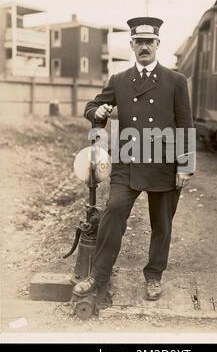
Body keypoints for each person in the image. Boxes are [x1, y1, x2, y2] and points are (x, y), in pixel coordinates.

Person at [73, 17, 195, 301]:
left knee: (162, 224)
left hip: (164, 162)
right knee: (113, 213)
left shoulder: (175, 81)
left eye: (149, 42)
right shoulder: (120, 80)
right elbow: (92, 106)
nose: (144, 47)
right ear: (131, 45)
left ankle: (154, 275)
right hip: (128, 160)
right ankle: (98, 276)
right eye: (138, 42)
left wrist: (185, 165)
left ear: (157, 45)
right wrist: (98, 113)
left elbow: (186, 124)